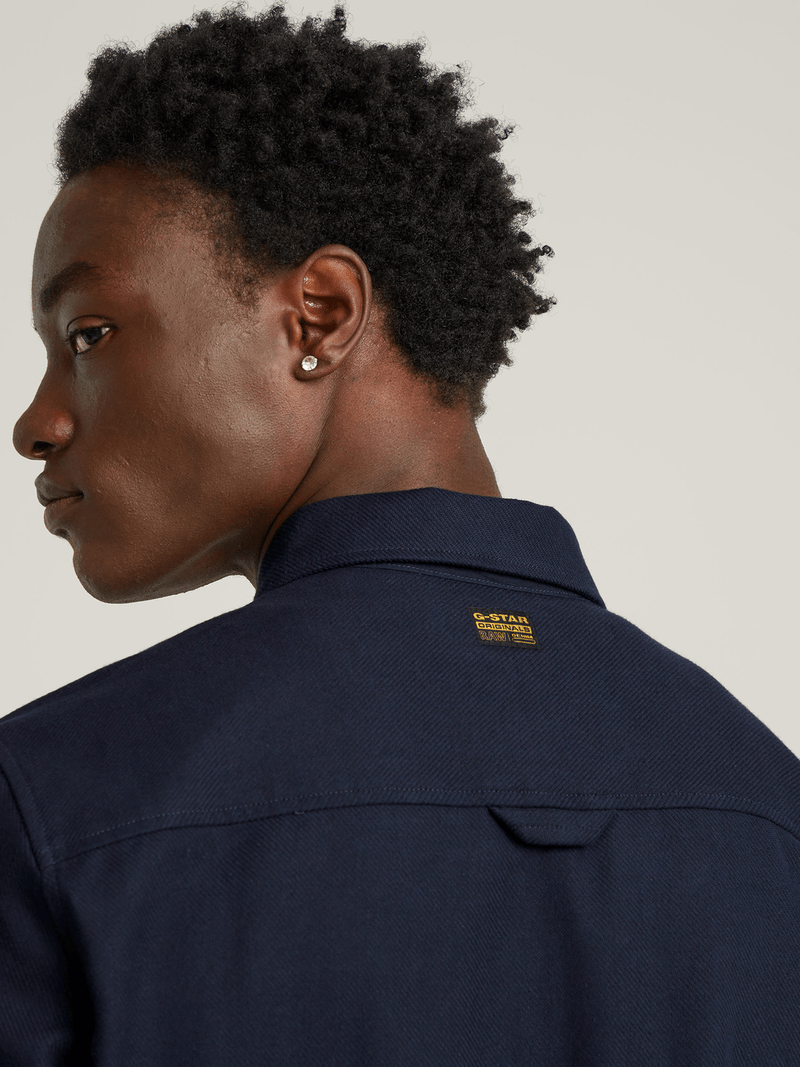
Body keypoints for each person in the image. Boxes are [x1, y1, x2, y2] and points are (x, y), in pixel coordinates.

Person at [1, 5, 798, 1064]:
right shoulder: (766, 799)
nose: (35, 422)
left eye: (88, 334)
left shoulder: (56, 797)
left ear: (321, 314)